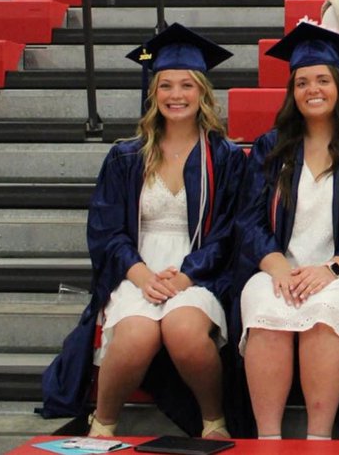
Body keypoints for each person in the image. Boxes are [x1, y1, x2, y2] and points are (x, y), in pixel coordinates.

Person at [41, 24, 245, 439]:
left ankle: (213, 421)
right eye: (165, 85)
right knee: (134, 336)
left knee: (184, 331)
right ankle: (104, 424)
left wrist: (187, 275)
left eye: (187, 85)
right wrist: (141, 275)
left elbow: (229, 230)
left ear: (203, 92)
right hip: (139, 270)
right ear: (152, 93)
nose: (176, 95)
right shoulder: (127, 156)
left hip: (199, 273)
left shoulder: (224, 158)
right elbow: (106, 230)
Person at [234, 22, 339, 439]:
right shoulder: (272, 148)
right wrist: (277, 269)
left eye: (323, 79)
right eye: (302, 82)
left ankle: (319, 440)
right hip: (279, 271)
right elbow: (248, 219)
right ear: (292, 91)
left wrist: (332, 269)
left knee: (325, 319)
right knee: (265, 313)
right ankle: (267, 440)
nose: (313, 89)